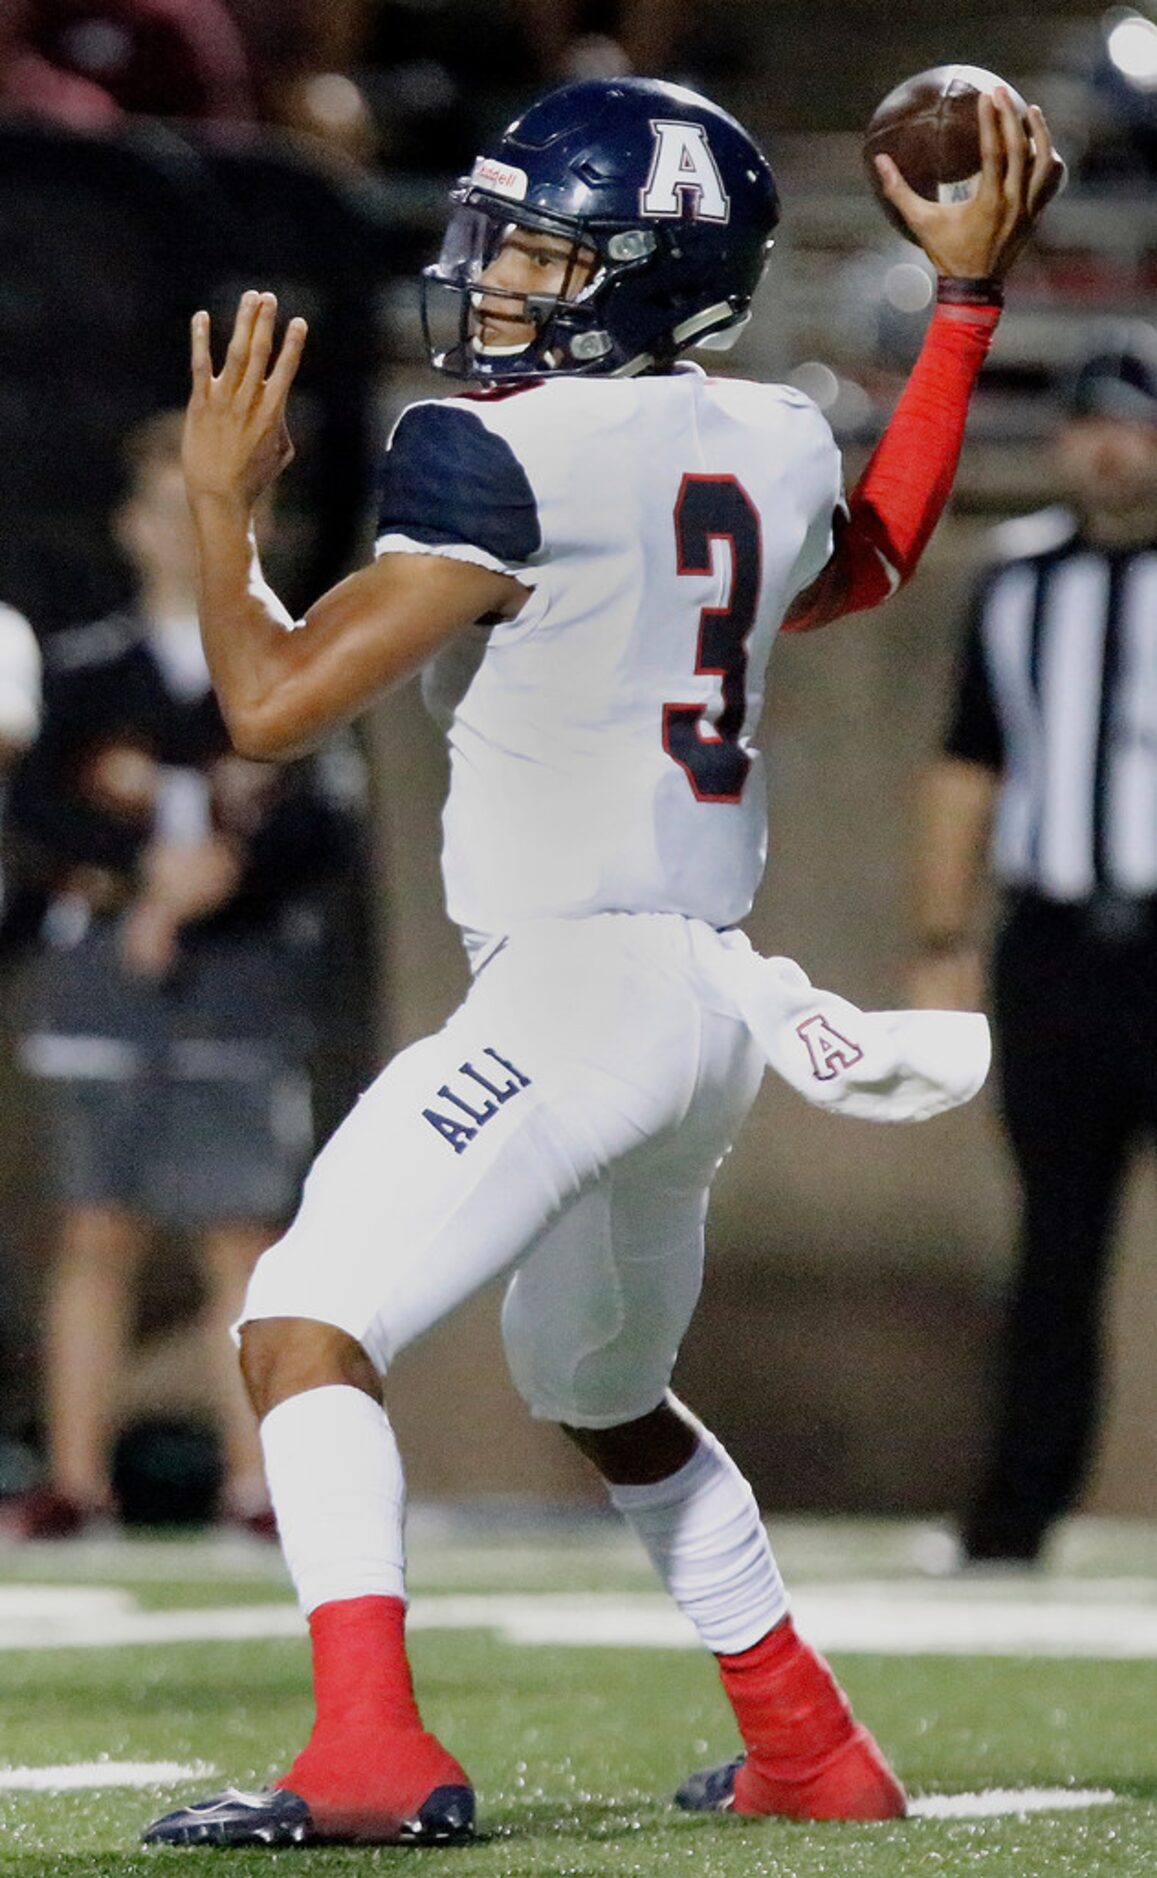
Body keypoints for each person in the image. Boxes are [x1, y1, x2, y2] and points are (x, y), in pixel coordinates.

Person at [140, 74, 1061, 1847]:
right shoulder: (775, 436)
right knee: (599, 1391)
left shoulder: (491, 451)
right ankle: (808, 1741)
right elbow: (856, 563)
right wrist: (961, 311)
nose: (489, 278)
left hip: (582, 989)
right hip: (695, 1006)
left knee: (299, 1318)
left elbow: (264, 706)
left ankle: (365, 1751)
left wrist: (218, 509)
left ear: (642, 275)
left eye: (540, 251)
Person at [0, 409, 366, 1542]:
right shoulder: (86, 668)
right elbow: (38, 806)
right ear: (129, 524)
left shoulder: (289, 665)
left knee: (242, 1233)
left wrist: (223, 879)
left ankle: (261, 1484)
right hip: (107, 972)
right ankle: (75, 1479)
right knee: (95, 1227)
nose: (182, 530)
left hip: (241, 973)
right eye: (164, 507)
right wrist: (140, 881)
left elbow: (324, 820)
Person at [908, 325, 1157, 1569]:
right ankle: (1014, 1516)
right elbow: (967, 762)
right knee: (1053, 1247)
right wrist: (941, 937)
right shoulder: (1014, 579)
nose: (1106, 446)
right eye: (1087, 421)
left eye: (1129, 421)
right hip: (1056, 951)